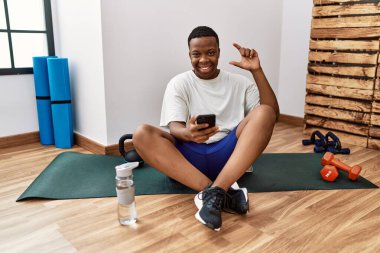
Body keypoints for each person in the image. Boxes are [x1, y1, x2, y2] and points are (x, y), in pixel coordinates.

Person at [133, 26, 279, 231]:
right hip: (189, 157)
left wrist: (257, 70)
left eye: (210, 53)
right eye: (196, 54)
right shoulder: (179, 83)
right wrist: (188, 133)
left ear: (219, 52)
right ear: (189, 55)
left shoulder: (240, 83)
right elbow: (175, 128)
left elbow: (273, 114)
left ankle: (215, 190)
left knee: (264, 112)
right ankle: (218, 193)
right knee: (141, 133)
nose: (203, 59)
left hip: (229, 156)